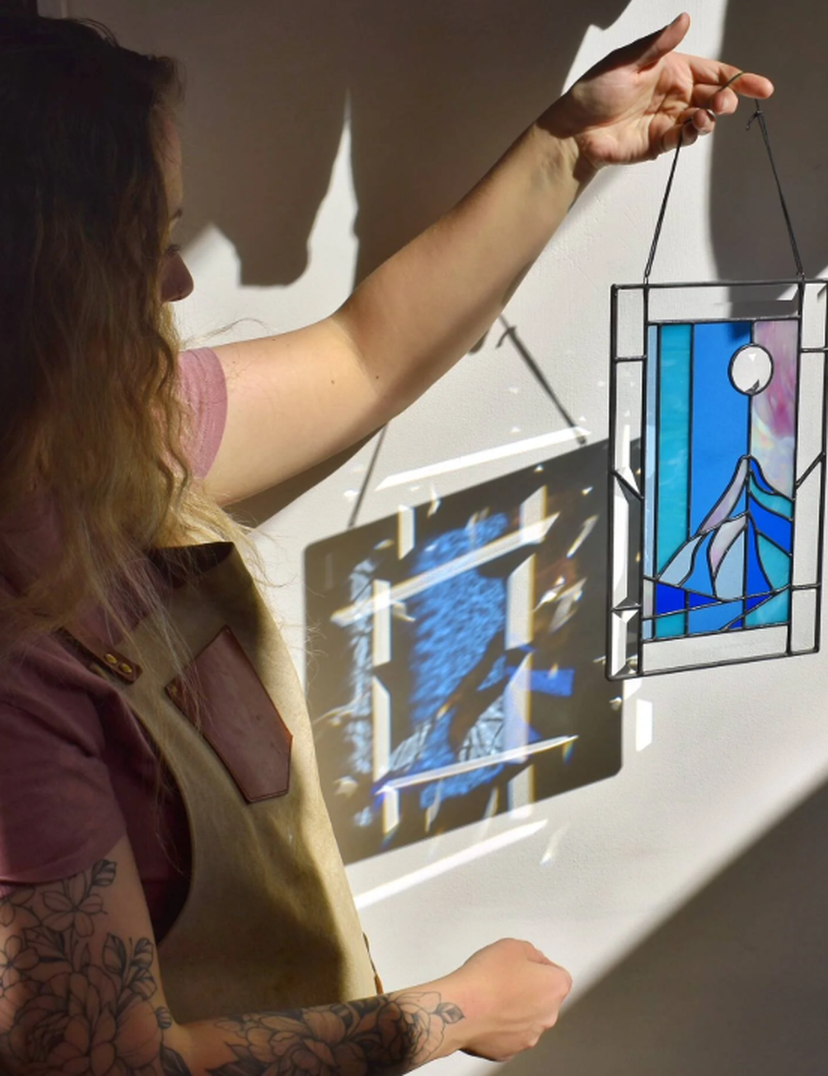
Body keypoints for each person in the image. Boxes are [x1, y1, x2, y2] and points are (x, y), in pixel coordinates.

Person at [0, 10, 771, 1076]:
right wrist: (458, 1008)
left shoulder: (120, 433)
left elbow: (368, 354)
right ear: (46, 287)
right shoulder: (18, 674)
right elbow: (111, 1065)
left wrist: (566, 143)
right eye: (153, 247)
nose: (179, 285)